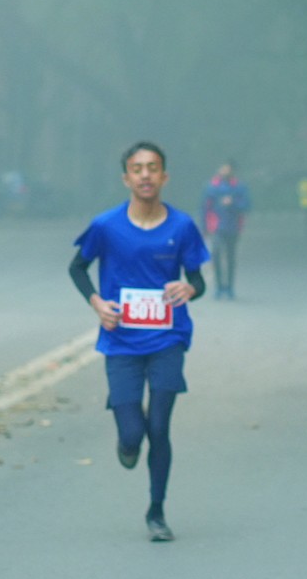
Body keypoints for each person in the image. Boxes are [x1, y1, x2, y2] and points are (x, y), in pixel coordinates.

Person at [70, 141, 209, 543]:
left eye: (152, 168)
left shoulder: (181, 227)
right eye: (137, 168)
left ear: (164, 176)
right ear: (126, 178)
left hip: (168, 338)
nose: (145, 175)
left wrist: (189, 289)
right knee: (133, 435)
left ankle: (156, 511)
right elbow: (77, 268)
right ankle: (127, 442)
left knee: (160, 427)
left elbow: (197, 280)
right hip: (121, 341)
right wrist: (97, 303)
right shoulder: (106, 226)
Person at [201, 162, 250, 298]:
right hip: (216, 227)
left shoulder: (239, 187)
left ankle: (229, 288)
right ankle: (218, 287)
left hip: (233, 227)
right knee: (216, 255)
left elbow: (246, 205)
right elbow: (205, 208)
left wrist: (232, 203)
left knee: (230, 257)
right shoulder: (212, 187)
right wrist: (204, 227)